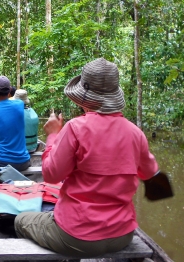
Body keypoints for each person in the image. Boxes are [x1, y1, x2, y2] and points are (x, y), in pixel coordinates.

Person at [14, 58, 159, 258]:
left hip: (76, 235)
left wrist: (54, 135)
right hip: (123, 235)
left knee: (20, 220)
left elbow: (51, 175)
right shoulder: (136, 133)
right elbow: (152, 175)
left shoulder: (75, 128)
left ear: (84, 98)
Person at [0, 88, 39, 153]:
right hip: (33, 148)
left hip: (18, 149)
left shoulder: (13, 112)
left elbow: (0, 107)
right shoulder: (32, 111)